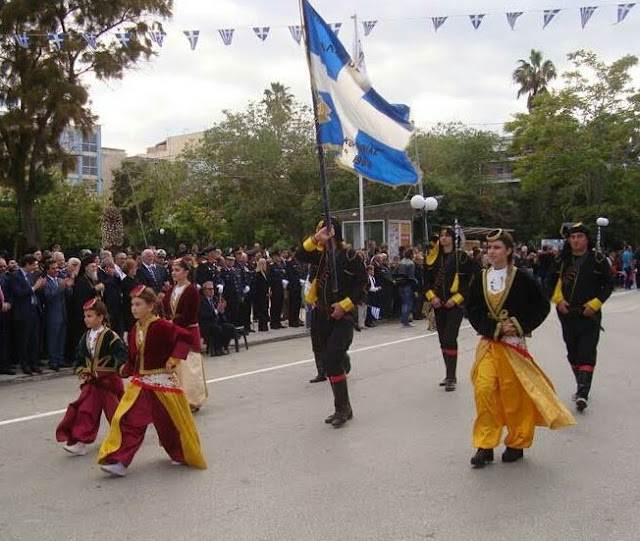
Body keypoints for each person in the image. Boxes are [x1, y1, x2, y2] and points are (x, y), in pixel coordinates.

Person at [467, 229, 576, 467]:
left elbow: (541, 306)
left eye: (497, 247)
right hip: (488, 344)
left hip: (513, 347)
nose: (492, 251)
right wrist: (493, 327)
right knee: (484, 391)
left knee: (513, 395)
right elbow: (472, 309)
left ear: (508, 251)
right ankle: (484, 445)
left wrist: (517, 325)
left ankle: (516, 442)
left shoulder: (523, 277)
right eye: (489, 247)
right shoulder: (481, 278)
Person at [97, 285, 207, 477]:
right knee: (129, 420)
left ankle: (180, 453)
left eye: (138, 304)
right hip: (141, 385)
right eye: (132, 304)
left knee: (169, 424)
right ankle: (120, 460)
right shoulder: (135, 329)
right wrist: (125, 369)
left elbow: (186, 338)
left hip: (163, 385)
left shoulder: (163, 326)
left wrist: (173, 359)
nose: (133, 308)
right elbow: (134, 358)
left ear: (151, 306)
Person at [296, 218, 367, 427]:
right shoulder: (319, 255)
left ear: (333, 231)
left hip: (342, 316)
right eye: (318, 232)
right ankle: (345, 404)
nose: (320, 235)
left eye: (323, 231)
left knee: (332, 359)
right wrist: (315, 239)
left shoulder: (350, 256)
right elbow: (299, 255)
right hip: (321, 314)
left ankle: (342, 409)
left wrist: (344, 305)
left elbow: (362, 285)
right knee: (328, 361)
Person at [545, 222, 614, 412]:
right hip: (566, 314)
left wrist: (595, 304)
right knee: (573, 352)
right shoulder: (561, 260)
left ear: (587, 239)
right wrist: (558, 301)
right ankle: (580, 385)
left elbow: (608, 285)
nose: (575, 240)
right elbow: (549, 281)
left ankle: (583, 392)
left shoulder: (598, 260)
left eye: (579, 237)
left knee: (587, 351)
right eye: (573, 237)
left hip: (589, 315)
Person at [56, 299, 127, 456]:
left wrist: (121, 368)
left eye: (90, 316)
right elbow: (79, 357)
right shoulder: (86, 337)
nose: (86, 319)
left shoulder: (111, 336)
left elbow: (122, 355)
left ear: (100, 317)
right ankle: (80, 442)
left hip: (109, 383)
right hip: (93, 383)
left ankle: (125, 437)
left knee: (115, 413)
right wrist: (81, 369)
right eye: (85, 316)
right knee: (85, 411)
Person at [424, 226, 472, 391]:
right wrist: (432, 298)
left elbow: (471, 281)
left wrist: (457, 299)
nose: (443, 238)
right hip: (439, 304)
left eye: (446, 235)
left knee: (450, 337)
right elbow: (426, 283)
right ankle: (448, 374)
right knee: (443, 339)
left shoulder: (461, 257)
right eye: (441, 236)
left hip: (454, 305)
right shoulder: (432, 259)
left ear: (453, 238)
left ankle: (451, 376)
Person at [162, 259, 208, 412]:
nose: (174, 273)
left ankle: (193, 400)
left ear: (186, 272)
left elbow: (190, 314)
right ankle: (178, 398)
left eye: (177, 270)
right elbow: (166, 309)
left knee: (189, 367)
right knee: (176, 366)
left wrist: (171, 323)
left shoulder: (192, 290)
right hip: (173, 331)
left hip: (188, 331)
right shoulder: (171, 290)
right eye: (173, 270)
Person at [7, 255, 46, 374]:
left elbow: (36, 291)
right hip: (23, 312)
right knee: (24, 339)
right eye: (33, 264)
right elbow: (19, 292)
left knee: (34, 339)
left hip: (34, 310)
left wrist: (40, 287)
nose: (35, 267)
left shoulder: (32, 275)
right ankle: (24, 364)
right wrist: (35, 287)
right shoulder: (15, 276)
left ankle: (33, 363)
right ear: (27, 264)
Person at [42, 259, 73, 371]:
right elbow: (49, 296)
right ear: (47, 270)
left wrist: (68, 287)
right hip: (52, 314)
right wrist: (61, 287)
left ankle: (60, 358)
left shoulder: (60, 280)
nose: (56, 270)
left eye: (56, 268)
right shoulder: (46, 282)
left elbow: (68, 296)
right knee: (53, 338)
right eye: (53, 268)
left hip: (62, 312)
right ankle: (53, 360)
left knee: (61, 337)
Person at [199, 282, 236, 355]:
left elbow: (220, 312)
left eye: (213, 289)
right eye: (209, 289)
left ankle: (223, 346)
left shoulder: (215, 299)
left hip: (216, 322)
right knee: (217, 329)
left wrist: (222, 311)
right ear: (204, 291)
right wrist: (216, 311)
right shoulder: (201, 301)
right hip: (206, 324)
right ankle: (216, 349)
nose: (212, 291)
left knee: (229, 327)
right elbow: (204, 315)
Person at [393, 248, 416, 327]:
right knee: (408, 303)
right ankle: (406, 321)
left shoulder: (400, 262)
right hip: (407, 285)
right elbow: (411, 277)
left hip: (400, 285)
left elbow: (394, 272)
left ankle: (403, 319)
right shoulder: (411, 264)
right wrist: (415, 288)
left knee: (403, 303)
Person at [253, 258, 270, 332]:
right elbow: (258, 286)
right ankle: (262, 326)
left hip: (265, 294)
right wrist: (264, 292)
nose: (264, 265)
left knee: (265, 309)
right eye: (262, 264)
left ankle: (264, 325)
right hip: (260, 295)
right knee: (262, 310)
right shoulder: (258, 274)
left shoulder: (265, 273)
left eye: (265, 263)